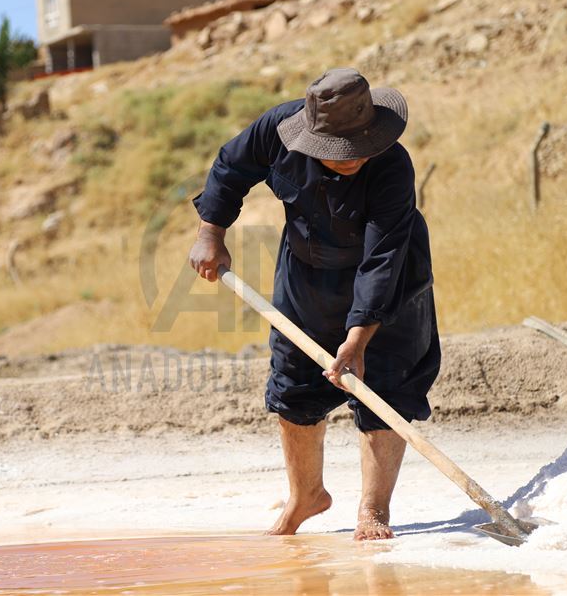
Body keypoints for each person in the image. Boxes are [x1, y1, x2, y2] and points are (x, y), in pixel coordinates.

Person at [188, 68, 440, 540]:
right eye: (336, 150)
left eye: (357, 147)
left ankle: (373, 511)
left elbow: (381, 260)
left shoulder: (392, 167)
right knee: (294, 386)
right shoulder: (277, 131)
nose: (349, 159)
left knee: (386, 385)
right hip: (306, 276)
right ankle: (307, 495)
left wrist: (359, 337)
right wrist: (210, 233)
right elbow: (230, 167)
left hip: (393, 279)